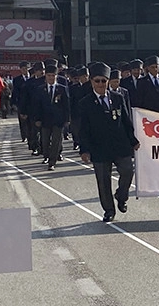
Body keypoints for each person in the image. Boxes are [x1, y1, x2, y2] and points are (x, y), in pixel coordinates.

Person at [78, 63, 140, 223]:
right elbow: (82, 129)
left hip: (120, 145)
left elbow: (126, 121)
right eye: (97, 81)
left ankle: (121, 195)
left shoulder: (118, 98)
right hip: (99, 147)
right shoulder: (85, 103)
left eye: (103, 81)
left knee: (128, 171)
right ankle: (109, 210)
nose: (100, 84)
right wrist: (84, 150)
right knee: (103, 181)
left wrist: (133, 140)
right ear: (92, 81)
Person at [33, 64, 70, 170]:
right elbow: (37, 105)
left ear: (56, 76)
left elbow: (67, 105)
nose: (51, 78)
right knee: (45, 141)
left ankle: (52, 162)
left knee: (56, 141)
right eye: (49, 75)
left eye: (53, 75)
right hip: (45, 120)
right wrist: (37, 119)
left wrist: (67, 119)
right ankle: (46, 155)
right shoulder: (40, 89)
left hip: (58, 120)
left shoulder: (62, 89)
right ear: (45, 76)